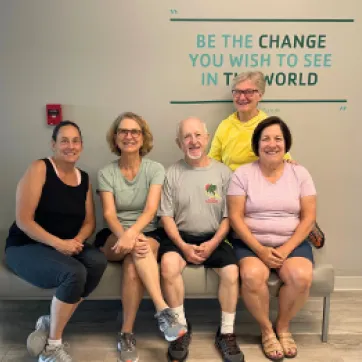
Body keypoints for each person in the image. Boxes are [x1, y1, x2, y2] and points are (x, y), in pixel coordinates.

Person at [4, 120, 108, 362]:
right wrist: (59, 244)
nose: (70, 146)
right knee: (74, 272)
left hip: (65, 245)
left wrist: (76, 242)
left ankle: (52, 321)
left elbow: (90, 223)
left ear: (81, 145)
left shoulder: (84, 178)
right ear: (53, 145)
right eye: (64, 141)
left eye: (75, 141)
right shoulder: (40, 168)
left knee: (97, 261)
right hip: (26, 246)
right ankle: (53, 346)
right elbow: (24, 221)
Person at [94, 112, 187, 362]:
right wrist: (125, 235)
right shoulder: (106, 172)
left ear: (143, 137)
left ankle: (126, 333)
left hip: (147, 231)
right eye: (123, 131)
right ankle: (163, 310)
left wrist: (133, 235)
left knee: (135, 264)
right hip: (114, 234)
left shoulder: (155, 169)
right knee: (138, 249)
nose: (129, 136)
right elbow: (109, 214)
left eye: (135, 132)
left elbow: (150, 210)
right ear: (115, 138)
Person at [227, 116, 316, 361]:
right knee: (252, 276)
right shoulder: (242, 174)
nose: (272, 144)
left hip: (292, 242)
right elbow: (235, 217)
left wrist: (286, 249)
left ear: (286, 144)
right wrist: (260, 249)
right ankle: (266, 330)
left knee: (302, 277)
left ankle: (283, 327)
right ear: (257, 145)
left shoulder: (300, 173)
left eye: (278, 138)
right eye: (265, 139)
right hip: (251, 243)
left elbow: (308, 218)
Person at [158, 117, 244, 362]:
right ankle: (180, 329)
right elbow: (165, 216)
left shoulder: (223, 173)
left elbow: (230, 216)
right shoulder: (171, 173)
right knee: (168, 266)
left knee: (231, 273)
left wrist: (214, 243)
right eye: (187, 137)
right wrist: (184, 246)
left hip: (214, 236)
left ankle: (226, 332)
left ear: (207, 139)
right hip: (179, 237)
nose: (193, 141)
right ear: (179, 143)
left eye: (198, 135)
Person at [208, 71, 291, 171]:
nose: (242, 97)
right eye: (237, 92)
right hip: (230, 183)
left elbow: (284, 161)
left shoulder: (268, 126)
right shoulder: (225, 125)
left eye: (249, 92)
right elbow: (212, 162)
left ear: (260, 95)